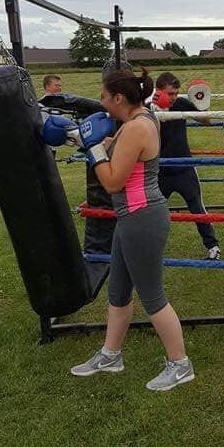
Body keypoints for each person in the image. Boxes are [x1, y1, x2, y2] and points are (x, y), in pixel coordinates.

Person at [70, 67, 194, 392]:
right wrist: (81, 138)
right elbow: (116, 146)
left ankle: (180, 365)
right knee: (118, 292)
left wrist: (93, 150)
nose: (101, 102)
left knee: (153, 296)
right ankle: (111, 356)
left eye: (103, 96)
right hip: (133, 218)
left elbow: (112, 182)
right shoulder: (138, 120)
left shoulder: (137, 128)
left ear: (119, 97)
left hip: (142, 217)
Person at [152, 72, 221, 260]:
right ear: (159, 92)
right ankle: (147, 247)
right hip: (160, 170)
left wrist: (202, 105)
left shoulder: (181, 104)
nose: (173, 97)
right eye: (169, 93)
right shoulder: (148, 108)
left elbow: (206, 121)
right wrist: (157, 111)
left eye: (175, 93)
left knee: (197, 208)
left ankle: (212, 246)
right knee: (152, 211)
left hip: (184, 167)